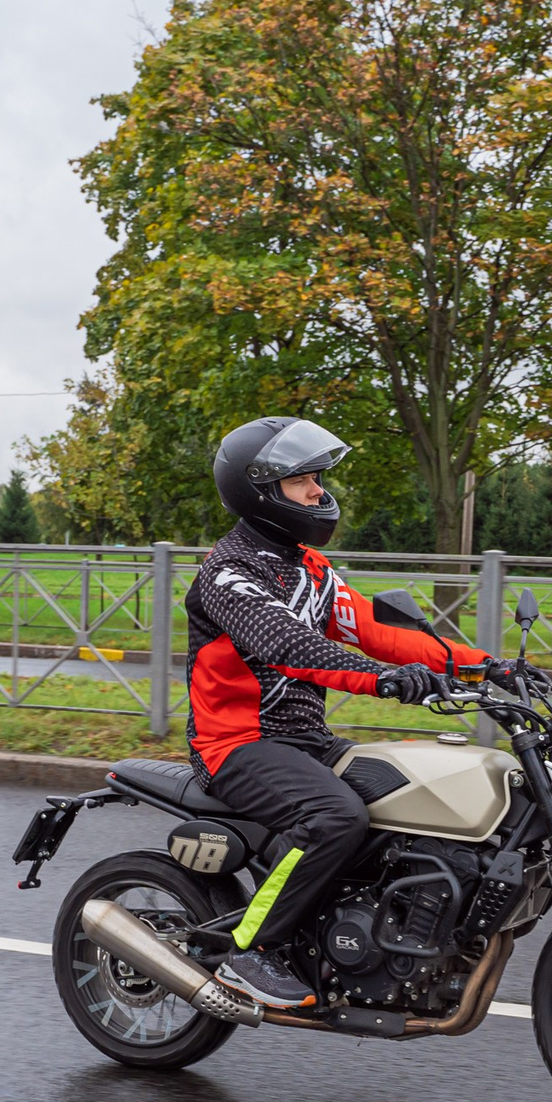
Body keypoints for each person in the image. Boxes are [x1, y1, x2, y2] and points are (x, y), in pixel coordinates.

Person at [187, 416, 494, 1011]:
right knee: (335, 818)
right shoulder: (228, 572)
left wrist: (483, 666)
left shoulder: (311, 570)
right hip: (237, 745)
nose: (319, 492)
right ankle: (252, 951)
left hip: (305, 739)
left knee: (402, 796)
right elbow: (287, 645)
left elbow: (379, 632)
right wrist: (384, 682)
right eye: (302, 480)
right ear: (261, 489)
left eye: (318, 478)